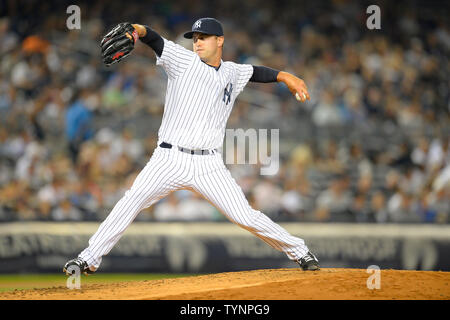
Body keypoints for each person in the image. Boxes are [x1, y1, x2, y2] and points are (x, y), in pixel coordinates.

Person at [63, 17, 319, 276]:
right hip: (169, 158)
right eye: (195, 38)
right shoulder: (182, 60)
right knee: (131, 201)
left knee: (245, 216)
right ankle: (88, 258)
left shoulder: (233, 72)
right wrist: (136, 31)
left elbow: (257, 72)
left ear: (219, 41)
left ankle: (300, 252)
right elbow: (153, 38)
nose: (197, 43)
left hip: (209, 164)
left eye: (203, 38)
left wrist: (285, 76)